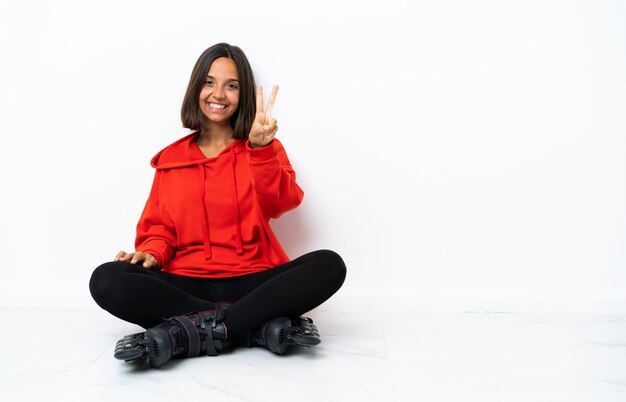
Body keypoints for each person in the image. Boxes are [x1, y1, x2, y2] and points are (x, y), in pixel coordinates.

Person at [89, 43, 347, 368]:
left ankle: (185, 332)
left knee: (329, 264)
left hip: (253, 280)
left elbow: (281, 203)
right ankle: (252, 328)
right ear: (196, 88)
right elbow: (160, 230)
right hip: (187, 282)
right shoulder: (172, 161)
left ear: (243, 95)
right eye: (210, 82)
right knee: (106, 279)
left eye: (232, 85)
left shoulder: (261, 146)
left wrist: (261, 151)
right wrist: (151, 253)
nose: (219, 94)